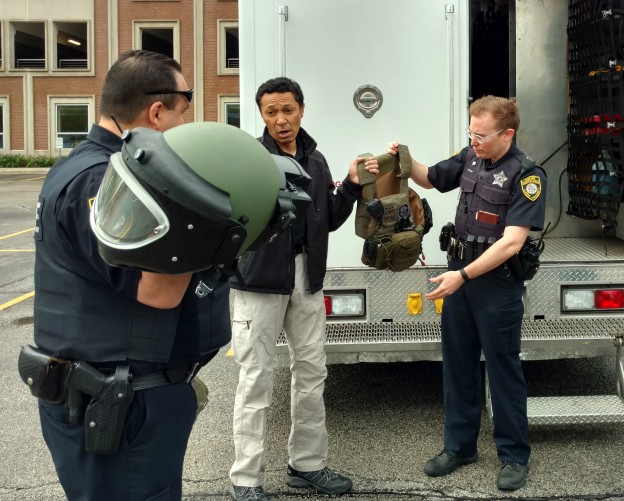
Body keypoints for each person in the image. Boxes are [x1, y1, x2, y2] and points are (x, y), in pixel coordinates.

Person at [30, 50, 224, 500]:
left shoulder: (87, 168)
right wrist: (214, 227)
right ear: (157, 113)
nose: (184, 128)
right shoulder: (104, 181)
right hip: (119, 405)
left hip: (114, 397)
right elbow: (158, 291)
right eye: (183, 113)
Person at [375, 95, 546, 491]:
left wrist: (462, 277)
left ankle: (514, 455)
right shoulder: (470, 156)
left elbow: (512, 243)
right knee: (457, 365)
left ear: (508, 133)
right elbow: (428, 177)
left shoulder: (527, 174)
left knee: (503, 370)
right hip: (460, 275)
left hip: (495, 284)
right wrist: (404, 157)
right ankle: (460, 447)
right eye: (470, 132)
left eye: (482, 135)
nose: (474, 141)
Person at [228, 76, 372, 500]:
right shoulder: (250, 159)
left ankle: (306, 465)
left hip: (306, 279)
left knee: (311, 373)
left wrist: (349, 185)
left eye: (287, 109)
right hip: (258, 284)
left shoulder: (316, 160)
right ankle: (245, 479)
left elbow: (326, 218)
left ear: (302, 110)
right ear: (262, 116)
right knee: (255, 377)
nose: (281, 119)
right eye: (271, 112)